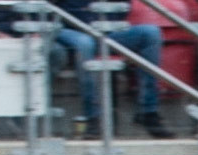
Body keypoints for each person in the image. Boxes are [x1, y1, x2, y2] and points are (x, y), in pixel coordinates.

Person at [51, 0, 174, 139]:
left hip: (107, 31)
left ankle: (148, 112)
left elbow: (123, 9)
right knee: (85, 43)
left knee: (151, 33)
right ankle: (93, 118)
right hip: (71, 30)